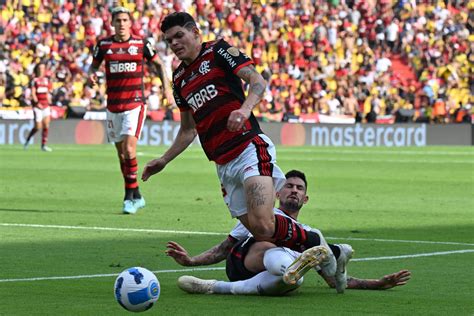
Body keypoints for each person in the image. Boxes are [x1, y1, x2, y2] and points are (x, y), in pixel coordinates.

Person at [142, 12, 333, 267]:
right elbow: (188, 130)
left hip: (248, 147)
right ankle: (314, 245)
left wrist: (244, 110)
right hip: (223, 163)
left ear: (196, 33)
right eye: (169, 40)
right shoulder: (178, 80)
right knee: (261, 231)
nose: (175, 43)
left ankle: (318, 242)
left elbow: (258, 81)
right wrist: (164, 160)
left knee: (264, 223)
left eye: (179, 35)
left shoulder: (218, 50)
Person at [167, 170, 411, 295]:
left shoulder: (309, 233)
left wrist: (377, 283)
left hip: (272, 278)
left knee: (293, 282)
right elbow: (224, 248)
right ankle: (292, 264)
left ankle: (215, 287)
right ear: (277, 194)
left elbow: (332, 279)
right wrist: (191, 261)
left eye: (299, 188)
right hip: (244, 263)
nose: (293, 191)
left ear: (306, 198)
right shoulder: (264, 217)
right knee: (269, 245)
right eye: (288, 186)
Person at [88, 6, 173, 214]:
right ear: (112, 23)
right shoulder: (104, 45)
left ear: (130, 23)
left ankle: (129, 196)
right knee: (121, 156)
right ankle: (136, 194)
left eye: (125, 20)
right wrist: (91, 75)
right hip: (113, 105)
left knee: (129, 150)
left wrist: (167, 90)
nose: (122, 24)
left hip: (134, 104)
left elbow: (159, 65)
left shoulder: (141, 43)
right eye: (118, 21)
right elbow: (93, 66)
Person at [24, 63, 53, 152]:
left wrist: (49, 100)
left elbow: (47, 92)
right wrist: (37, 102)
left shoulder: (46, 80)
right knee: (37, 127)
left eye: (43, 68)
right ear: (37, 69)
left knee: (46, 125)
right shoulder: (34, 80)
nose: (41, 70)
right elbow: (33, 93)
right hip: (38, 106)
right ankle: (28, 140)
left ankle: (43, 145)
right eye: (40, 68)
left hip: (46, 105)